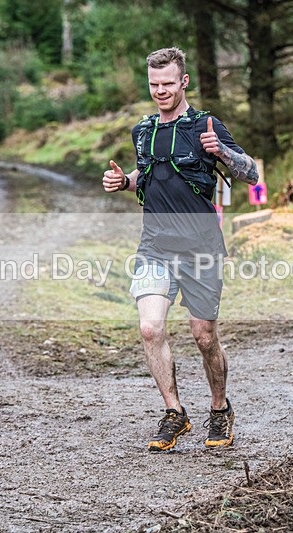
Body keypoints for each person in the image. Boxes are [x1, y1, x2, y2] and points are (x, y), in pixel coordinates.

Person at [103, 47, 258, 451]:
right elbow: (150, 174)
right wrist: (124, 182)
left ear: (184, 81)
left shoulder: (205, 125)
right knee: (150, 328)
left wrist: (221, 151)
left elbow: (251, 173)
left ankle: (220, 409)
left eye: (168, 83)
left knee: (204, 336)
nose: (161, 91)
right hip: (155, 246)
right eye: (154, 84)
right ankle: (174, 413)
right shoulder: (143, 131)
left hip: (201, 247)